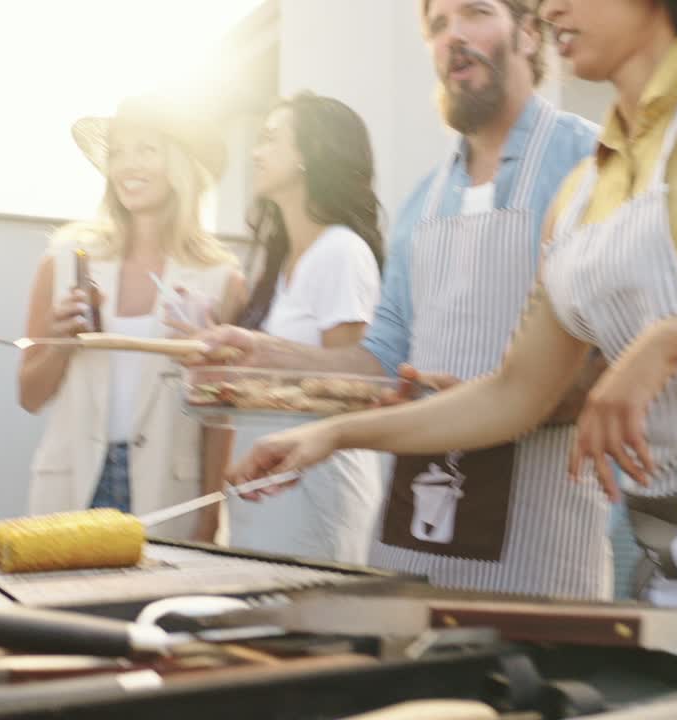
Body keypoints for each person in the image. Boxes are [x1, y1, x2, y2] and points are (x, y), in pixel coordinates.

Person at [221, 1, 677, 718]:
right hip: (672, 537)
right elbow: (514, 394)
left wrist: (676, 336)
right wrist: (330, 435)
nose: (550, 8)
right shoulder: (580, 191)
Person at [189, 0, 611, 598]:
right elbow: (380, 359)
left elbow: (622, 358)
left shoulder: (591, 163)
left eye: (475, 12)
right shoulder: (423, 200)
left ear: (527, 30)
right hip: (417, 522)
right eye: (438, 26)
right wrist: (259, 351)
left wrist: (515, 402)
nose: (454, 36)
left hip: (542, 526)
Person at [18, 95, 246, 542]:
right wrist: (61, 344)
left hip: (169, 492)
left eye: (145, 149)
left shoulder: (222, 279)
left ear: (179, 164)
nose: (127, 165)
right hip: (71, 485)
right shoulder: (63, 261)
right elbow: (29, 395)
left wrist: (209, 515)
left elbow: (221, 418)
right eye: (118, 152)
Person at [223, 92, 385, 564]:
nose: (256, 152)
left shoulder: (341, 252)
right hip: (267, 482)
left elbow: (356, 387)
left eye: (272, 139)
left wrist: (261, 357)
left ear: (311, 155)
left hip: (316, 487)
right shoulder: (278, 260)